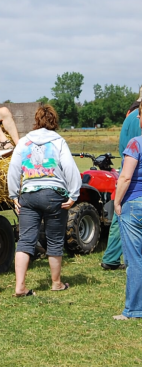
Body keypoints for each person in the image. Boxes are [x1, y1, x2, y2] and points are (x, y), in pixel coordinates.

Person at [8, 105, 81, 296]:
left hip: (29, 194)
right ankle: (56, 283)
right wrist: (73, 195)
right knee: (55, 240)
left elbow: (14, 168)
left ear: (36, 120)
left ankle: (20, 287)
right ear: (54, 121)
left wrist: (14, 195)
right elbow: (70, 168)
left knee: (25, 240)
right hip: (54, 194)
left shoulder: (24, 142)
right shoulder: (58, 141)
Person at [101, 98, 142, 270]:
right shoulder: (137, 117)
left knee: (121, 217)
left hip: (127, 167)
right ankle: (112, 257)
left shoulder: (130, 116)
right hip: (134, 173)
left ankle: (111, 257)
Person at [113, 101, 142, 320]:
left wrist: (117, 201)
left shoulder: (135, 144)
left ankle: (133, 309)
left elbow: (125, 176)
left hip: (134, 204)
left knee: (134, 259)